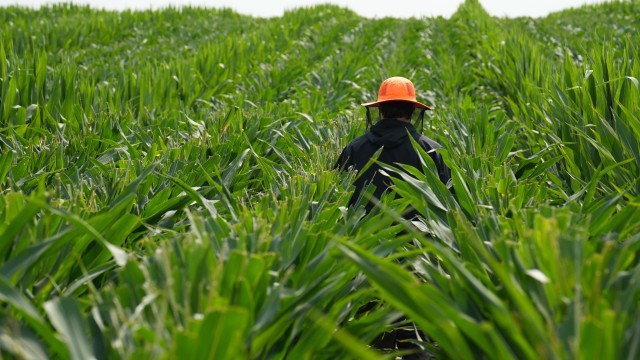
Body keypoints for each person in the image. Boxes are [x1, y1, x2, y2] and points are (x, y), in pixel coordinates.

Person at [334, 76, 450, 216]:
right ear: (413, 109)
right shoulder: (431, 150)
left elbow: (336, 197)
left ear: (380, 109)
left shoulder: (354, 148)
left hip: (363, 235)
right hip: (418, 236)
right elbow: (449, 202)